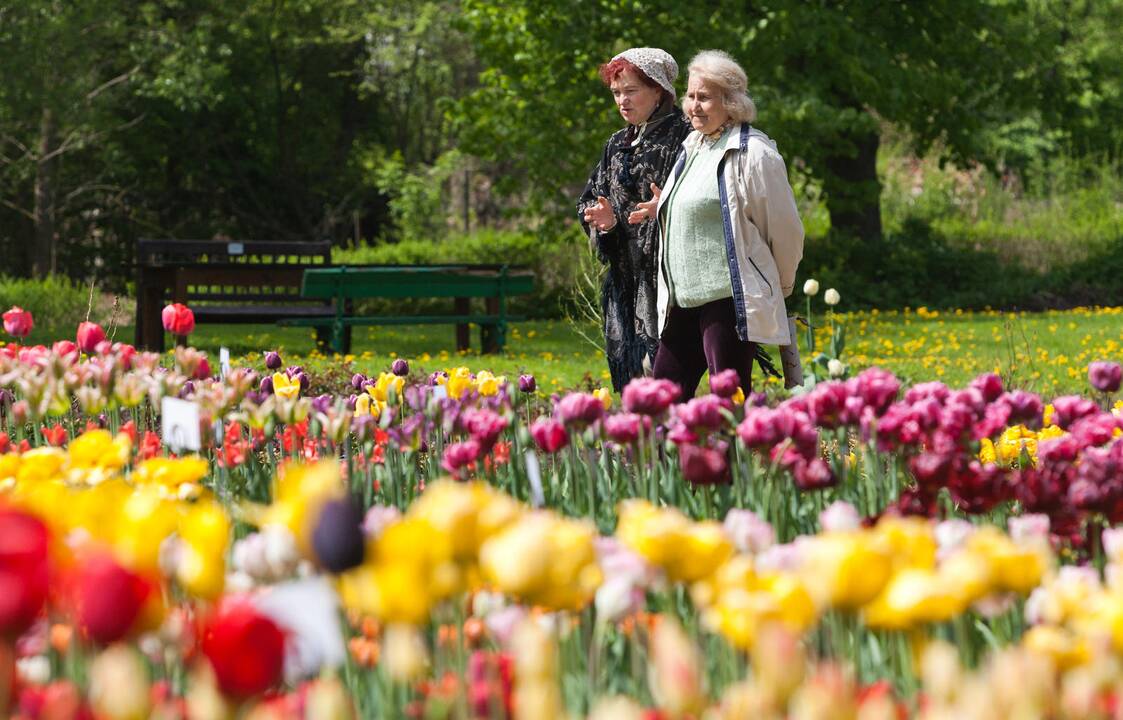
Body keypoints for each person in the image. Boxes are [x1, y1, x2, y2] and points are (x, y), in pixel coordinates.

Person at [629, 50, 804, 397]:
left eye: (704, 97)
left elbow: (784, 230)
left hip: (728, 302)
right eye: (691, 96)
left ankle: (729, 455)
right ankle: (674, 456)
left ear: (732, 102)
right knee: (661, 405)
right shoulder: (693, 147)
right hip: (683, 302)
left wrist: (777, 288)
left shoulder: (754, 154)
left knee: (727, 406)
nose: (694, 105)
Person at [578, 48, 691, 392]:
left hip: (668, 284)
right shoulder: (616, 143)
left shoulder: (685, 137)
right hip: (625, 282)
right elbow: (591, 198)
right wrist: (603, 220)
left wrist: (667, 208)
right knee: (634, 391)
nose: (622, 101)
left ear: (659, 90)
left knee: (672, 386)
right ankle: (642, 448)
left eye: (631, 91)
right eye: (616, 92)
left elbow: (699, 206)